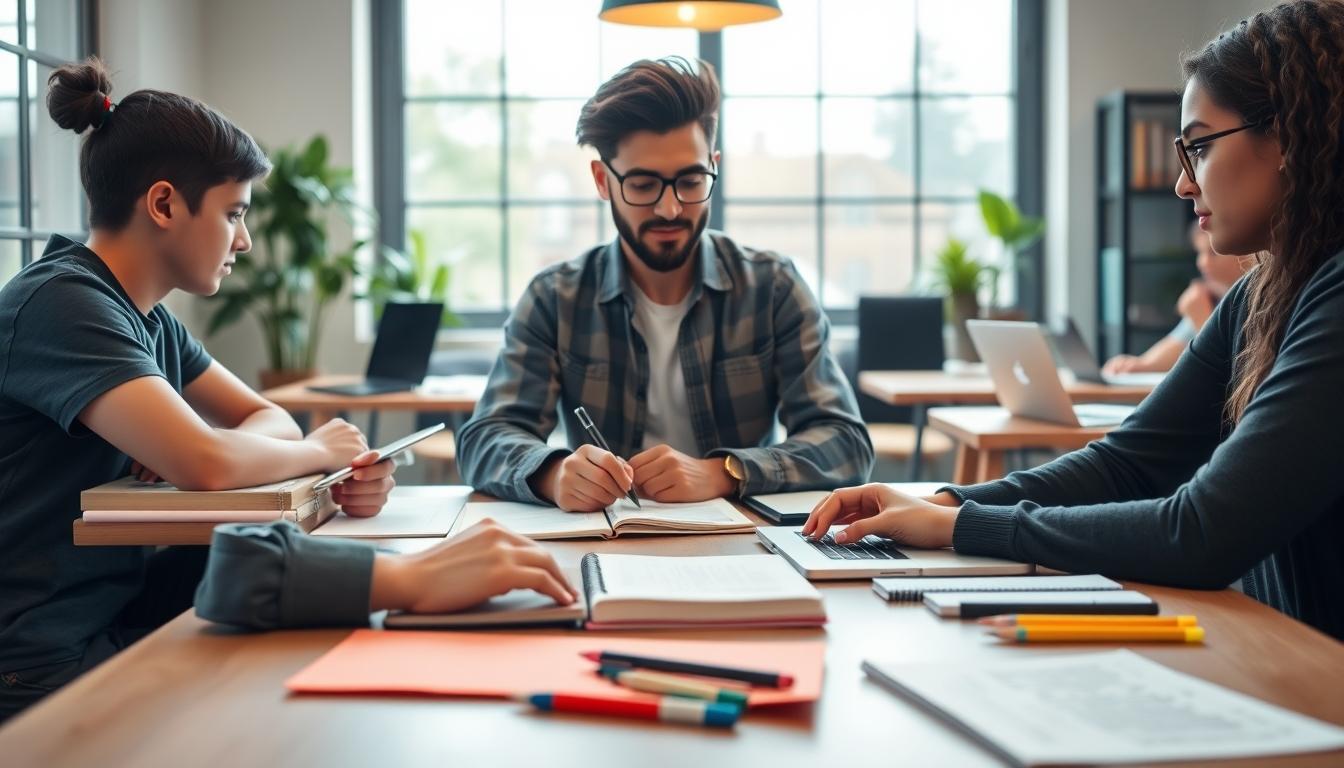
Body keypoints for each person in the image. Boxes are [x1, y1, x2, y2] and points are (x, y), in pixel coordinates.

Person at [0, 59, 571, 722]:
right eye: (234, 213)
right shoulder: (62, 304)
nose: (243, 239)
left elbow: (263, 418)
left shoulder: (149, 320)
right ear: (163, 205)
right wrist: (314, 450)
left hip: (119, 615)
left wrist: (220, 445)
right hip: (39, 660)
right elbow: (210, 462)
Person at [804, 0, 1344, 641]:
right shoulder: (1262, 294)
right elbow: (1126, 464)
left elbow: (1202, 532)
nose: (1182, 183)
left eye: (1197, 147)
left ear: (1284, 139)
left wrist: (956, 529)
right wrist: (949, 500)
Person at [455, 57, 872, 512]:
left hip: (743, 546)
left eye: (690, 181)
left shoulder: (773, 288)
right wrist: (554, 474)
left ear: (713, 167)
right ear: (602, 180)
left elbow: (846, 442)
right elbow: (485, 438)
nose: (671, 208)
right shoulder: (556, 298)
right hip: (607, 545)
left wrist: (722, 472)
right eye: (643, 184)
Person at [1103, 221, 1251, 375]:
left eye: (1213, 253)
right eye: (1199, 253)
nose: (1202, 262)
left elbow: (1235, 370)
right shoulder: (1212, 296)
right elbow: (1177, 343)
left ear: (1246, 252)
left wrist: (1202, 319)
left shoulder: (1254, 300)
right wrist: (1140, 364)